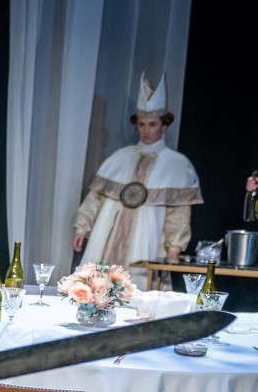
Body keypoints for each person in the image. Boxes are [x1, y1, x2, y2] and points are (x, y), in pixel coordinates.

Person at [72, 72, 202, 287]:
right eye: (141, 124)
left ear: (164, 125)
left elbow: (178, 212)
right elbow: (97, 197)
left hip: (148, 236)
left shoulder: (177, 165)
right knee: (98, 287)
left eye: (152, 124)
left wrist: (174, 248)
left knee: (140, 287)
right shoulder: (120, 158)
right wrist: (82, 227)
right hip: (108, 233)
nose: (146, 130)